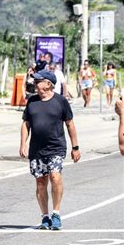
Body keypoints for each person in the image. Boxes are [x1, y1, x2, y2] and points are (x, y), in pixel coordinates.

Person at [20, 70, 81, 230]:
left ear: (48, 84)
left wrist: (75, 147)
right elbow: (26, 124)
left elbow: (70, 124)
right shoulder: (32, 101)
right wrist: (23, 144)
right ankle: (45, 216)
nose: (34, 83)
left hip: (56, 148)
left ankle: (56, 213)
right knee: (40, 182)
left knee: (55, 176)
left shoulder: (60, 101)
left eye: (38, 81)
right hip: (36, 149)